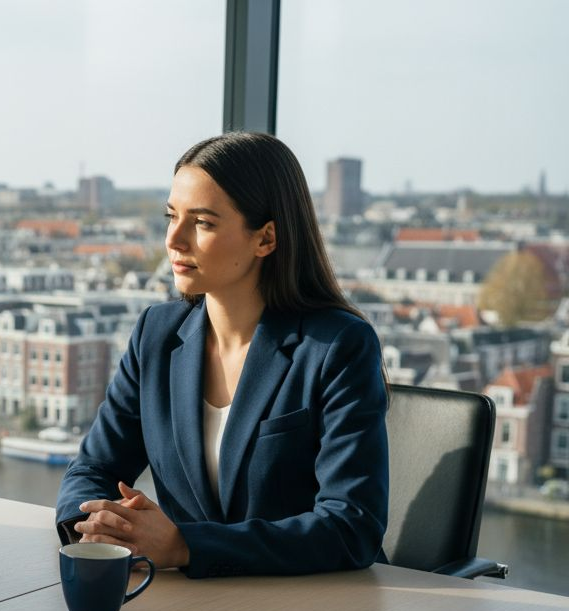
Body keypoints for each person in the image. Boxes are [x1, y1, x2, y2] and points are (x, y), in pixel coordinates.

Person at [55, 132, 387, 578]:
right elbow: (94, 467)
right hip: (186, 607)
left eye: (203, 223)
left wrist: (185, 546)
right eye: (171, 216)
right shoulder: (156, 334)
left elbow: (351, 526)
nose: (174, 239)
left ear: (266, 238)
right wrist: (99, 528)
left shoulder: (338, 347)